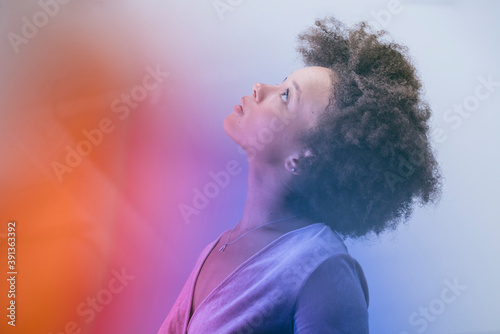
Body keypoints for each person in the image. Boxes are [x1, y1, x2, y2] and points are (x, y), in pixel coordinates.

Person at [158, 17, 441, 334]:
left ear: (303, 159)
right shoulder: (215, 246)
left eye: (285, 96)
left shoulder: (322, 269)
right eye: (282, 83)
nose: (260, 87)